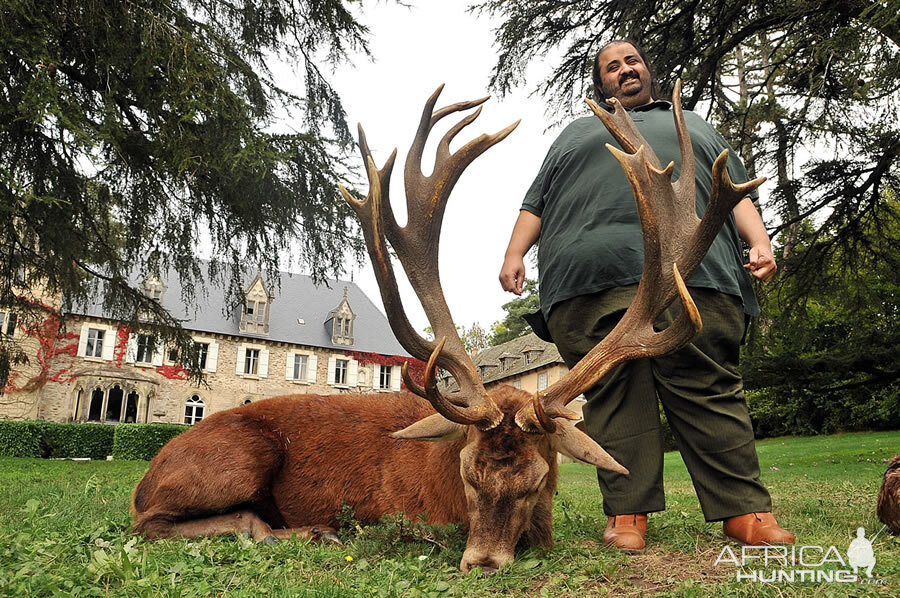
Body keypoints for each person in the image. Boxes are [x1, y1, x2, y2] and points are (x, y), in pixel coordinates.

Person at [499, 40, 794, 553]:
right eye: (611, 66)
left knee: (708, 383)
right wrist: (513, 253)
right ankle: (627, 514)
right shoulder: (575, 133)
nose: (624, 69)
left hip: (693, 271)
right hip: (589, 277)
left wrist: (761, 241)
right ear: (601, 84)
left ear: (647, 72)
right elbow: (536, 202)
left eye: (632, 60)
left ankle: (747, 512)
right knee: (613, 392)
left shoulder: (692, 123)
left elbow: (734, 187)